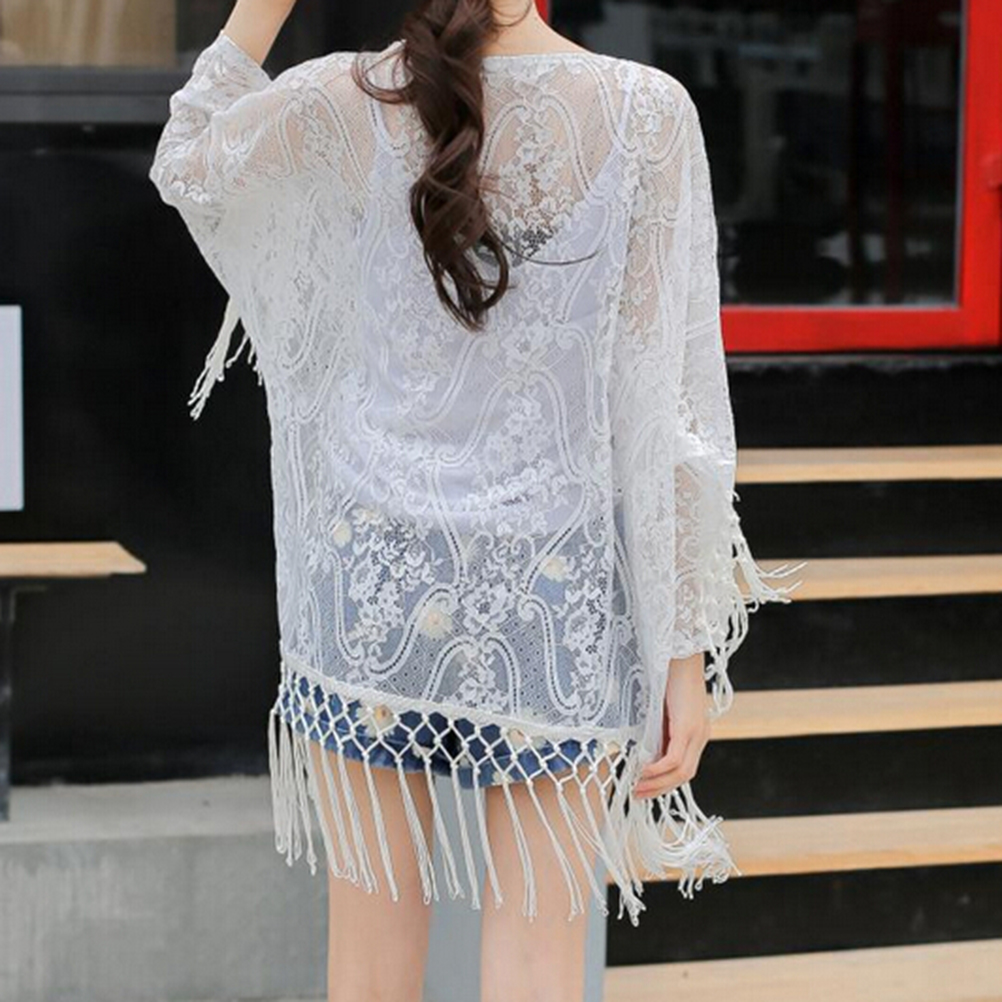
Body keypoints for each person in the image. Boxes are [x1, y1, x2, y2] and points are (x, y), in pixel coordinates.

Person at [149, 1, 806, 1000]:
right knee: (539, 964)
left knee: (367, 971)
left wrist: (262, 8)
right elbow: (669, 410)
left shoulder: (348, 97)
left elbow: (189, 160)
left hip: (373, 586)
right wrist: (681, 645)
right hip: (553, 597)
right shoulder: (645, 113)